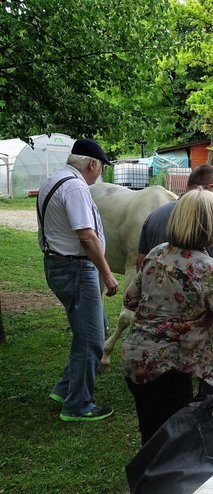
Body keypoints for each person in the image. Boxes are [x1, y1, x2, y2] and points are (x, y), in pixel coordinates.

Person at [122, 188, 213, 444]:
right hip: (174, 368)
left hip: (139, 361)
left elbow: (130, 299)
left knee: (153, 438)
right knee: (179, 445)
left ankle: (149, 481)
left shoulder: (157, 253)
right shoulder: (207, 266)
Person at [38, 138, 119, 422]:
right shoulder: (75, 187)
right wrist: (107, 274)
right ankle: (78, 405)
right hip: (76, 269)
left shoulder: (55, 180)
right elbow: (86, 236)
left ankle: (64, 388)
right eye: (101, 168)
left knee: (96, 327)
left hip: (60, 266)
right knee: (92, 338)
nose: (101, 174)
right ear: (92, 164)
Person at [136, 166, 213, 325]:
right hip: (196, 329)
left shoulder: (155, 216)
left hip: (155, 323)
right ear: (211, 189)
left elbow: (141, 264)